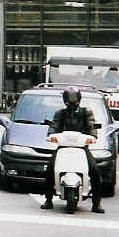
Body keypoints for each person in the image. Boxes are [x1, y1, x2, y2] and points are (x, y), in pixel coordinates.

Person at [41, 86, 104, 214]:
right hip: (63, 147)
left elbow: (91, 126)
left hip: (81, 148)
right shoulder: (60, 113)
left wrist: (92, 136)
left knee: (95, 171)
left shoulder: (86, 112)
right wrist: (51, 135)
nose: (72, 102)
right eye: (69, 99)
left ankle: (96, 203)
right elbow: (54, 126)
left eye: (74, 99)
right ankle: (48, 199)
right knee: (50, 169)